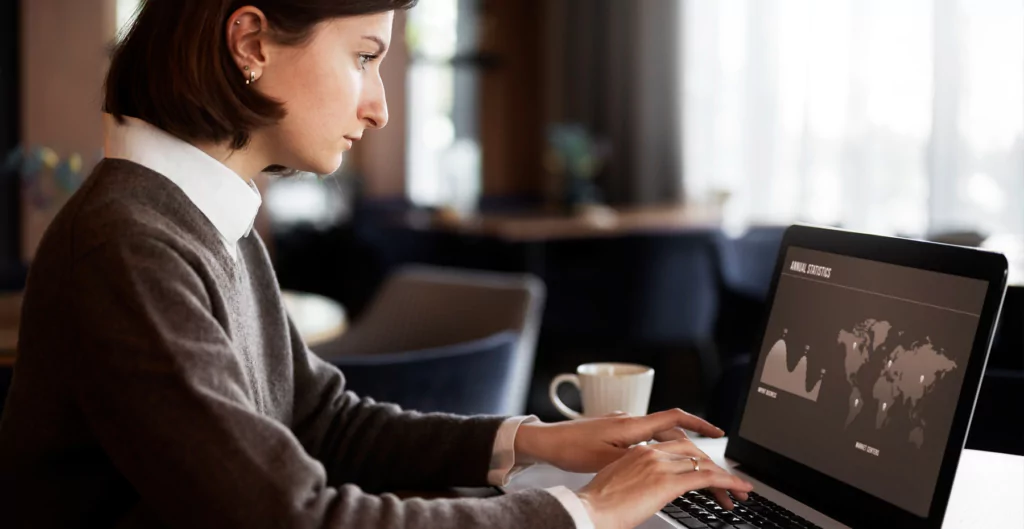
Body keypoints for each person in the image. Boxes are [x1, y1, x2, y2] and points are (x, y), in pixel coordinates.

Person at [0, 1, 753, 528]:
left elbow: (320, 419)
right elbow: (287, 518)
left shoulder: (204, 219)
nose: (380, 107)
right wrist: (581, 510)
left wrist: (530, 444)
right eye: (363, 57)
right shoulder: (129, 243)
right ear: (251, 42)